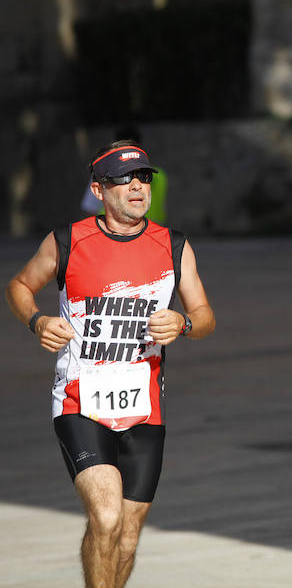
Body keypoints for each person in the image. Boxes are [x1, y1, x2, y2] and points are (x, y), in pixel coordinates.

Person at [5, 139, 215, 588]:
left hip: (144, 408)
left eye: (143, 178)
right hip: (80, 402)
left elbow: (205, 317)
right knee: (106, 517)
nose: (137, 187)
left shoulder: (174, 246)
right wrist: (38, 321)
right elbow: (20, 285)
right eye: (123, 180)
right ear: (99, 190)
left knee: (128, 535)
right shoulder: (67, 240)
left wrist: (182, 323)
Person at [81, 126, 169, 224]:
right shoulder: (160, 175)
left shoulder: (159, 175)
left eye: (145, 177)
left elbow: (90, 208)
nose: (137, 186)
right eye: (122, 177)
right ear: (98, 190)